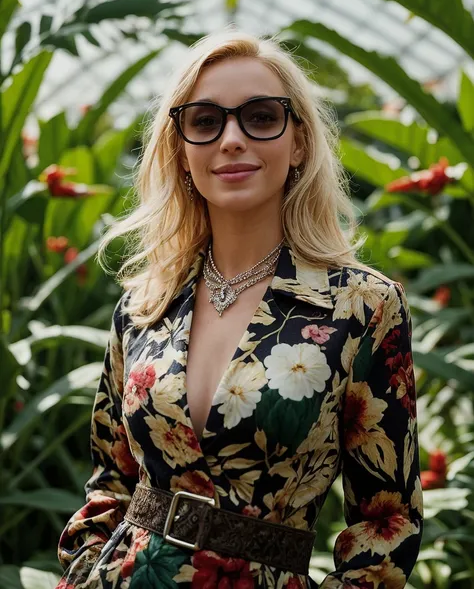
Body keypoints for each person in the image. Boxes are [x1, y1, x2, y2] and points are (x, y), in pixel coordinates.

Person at [55, 30, 423, 589]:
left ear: (298, 141)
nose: (231, 139)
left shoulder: (361, 307)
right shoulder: (144, 305)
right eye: (205, 121)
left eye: (260, 116)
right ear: (181, 149)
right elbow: (110, 481)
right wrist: (85, 572)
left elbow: (387, 524)